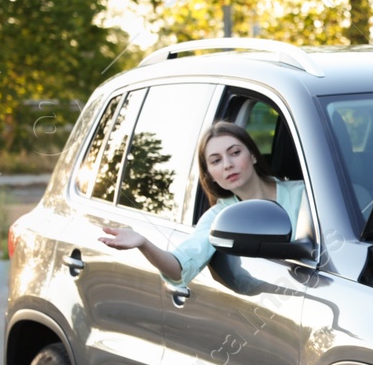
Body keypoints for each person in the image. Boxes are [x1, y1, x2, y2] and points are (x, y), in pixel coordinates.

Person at [100, 121, 306, 289]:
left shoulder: (307, 192)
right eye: (216, 161)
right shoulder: (218, 218)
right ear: (210, 176)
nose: (227, 164)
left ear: (252, 154)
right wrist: (143, 243)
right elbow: (180, 269)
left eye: (235, 153)